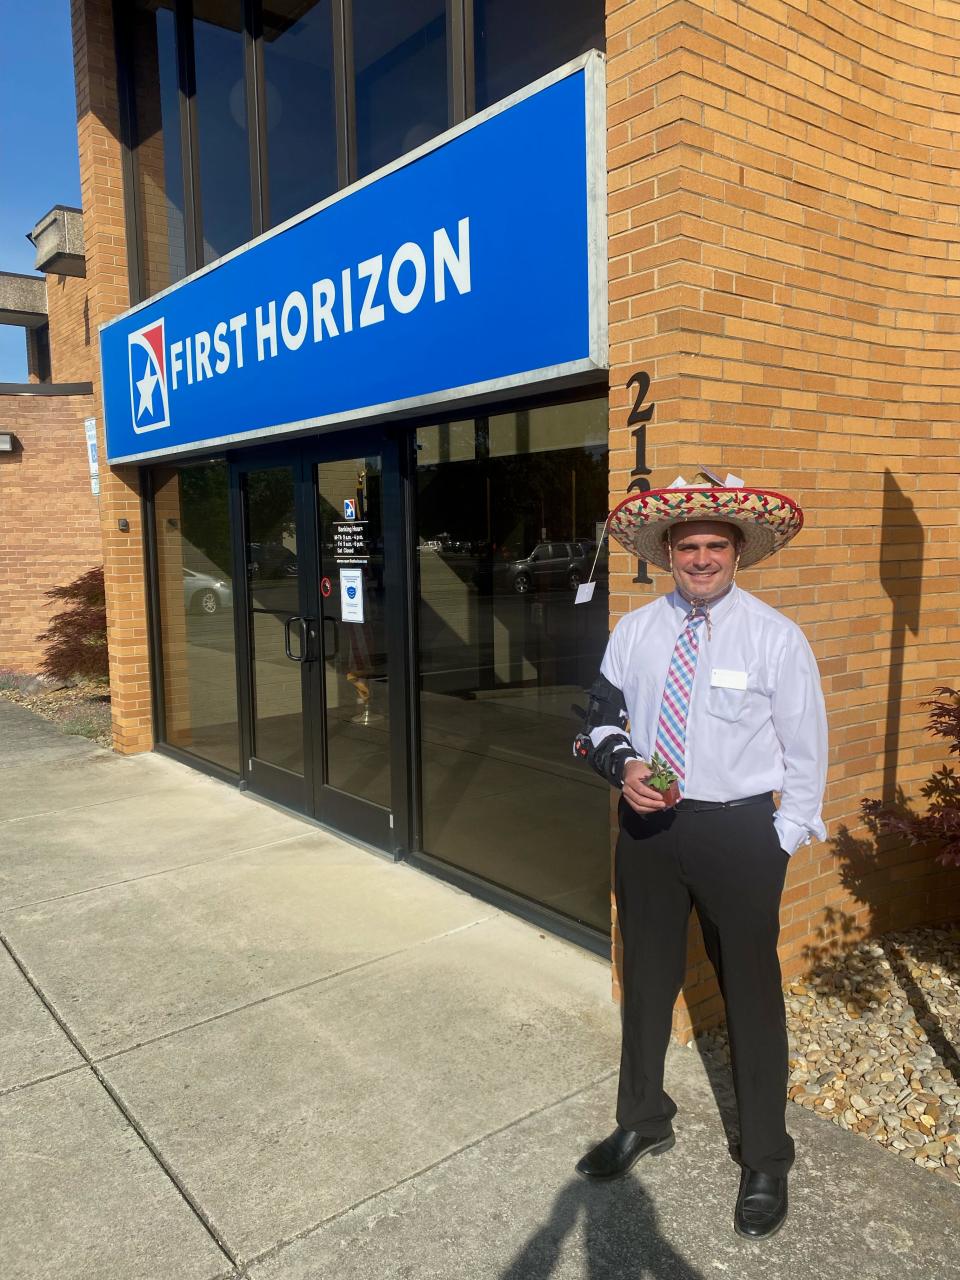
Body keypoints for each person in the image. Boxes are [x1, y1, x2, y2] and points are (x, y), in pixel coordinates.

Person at [573, 479, 827, 1240]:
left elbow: (807, 752)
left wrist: (779, 840)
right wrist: (623, 770)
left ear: (738, 552)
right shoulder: (635, 631)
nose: (703, 558)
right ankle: (644, 1118)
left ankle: (766, 1157)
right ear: (668, 556)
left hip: (738, 834)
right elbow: (596, 721)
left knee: (750, 994)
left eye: (717, 545)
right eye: (689, 547)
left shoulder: (775, 637)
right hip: (649, 833)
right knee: (646, 982)